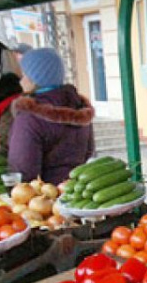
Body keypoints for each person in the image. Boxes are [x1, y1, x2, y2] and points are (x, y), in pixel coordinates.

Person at [8, 47, 94, 184]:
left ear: (34, 79)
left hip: (45, 198)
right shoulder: (79, 108)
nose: (21, 81)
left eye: (24, 75)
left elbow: (23, 170)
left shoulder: (29, 117)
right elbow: (89, 152)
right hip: (77, 192)